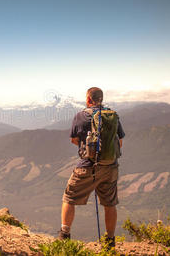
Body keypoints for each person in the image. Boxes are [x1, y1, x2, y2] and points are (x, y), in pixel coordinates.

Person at [59, 87, 125, 248]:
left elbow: (74, 140)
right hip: (110, 167)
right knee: (109, 203)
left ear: (88, 99)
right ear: (101, 99)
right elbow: (120, 141)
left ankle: (64, 236)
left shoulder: (81, 116)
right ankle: (110, 241)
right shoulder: (112, 116)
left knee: (69, 197)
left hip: (87, 166)